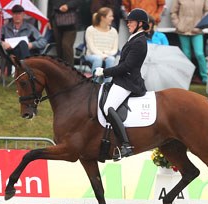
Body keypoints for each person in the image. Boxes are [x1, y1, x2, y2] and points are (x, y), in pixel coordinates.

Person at [94, 8, 149, 161]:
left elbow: (127, 66)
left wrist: (104, 72)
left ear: (140, 23)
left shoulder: (139, 41)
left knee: (108, 107)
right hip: (122, 79)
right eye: (128, 21)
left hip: (129, 82)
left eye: (131, 22)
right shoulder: (134, 38)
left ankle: (126, 145)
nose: (128, 24)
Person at [170, 0, 208, 84]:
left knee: (199, 54)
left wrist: (201, 25)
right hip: (183, 30)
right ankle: (187, 77)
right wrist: (178, 24)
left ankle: (205, 77)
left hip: (197, 30)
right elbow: (173, 12)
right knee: (186, 55)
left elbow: (207, 11)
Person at [85, 7, 119, 83]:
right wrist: (102, 55)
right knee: (98, 59)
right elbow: (91, 48)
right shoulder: (90, 29)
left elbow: (115, 49)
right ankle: (94, 83)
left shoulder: (113, 31)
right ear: (103, 17)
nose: (112, 18)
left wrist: (106, 54)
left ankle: (106, 84)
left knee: (111, 59)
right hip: (92, 55)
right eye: (110, 16)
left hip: (108, 55)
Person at [47, 0, 81, 65]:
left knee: (66, 45)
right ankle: (61, 69)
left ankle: (70, 70)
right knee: (59, 47)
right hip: (56, 18)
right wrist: (49, 20)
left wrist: (68, 6)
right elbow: (50, 4)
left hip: (70, 19)